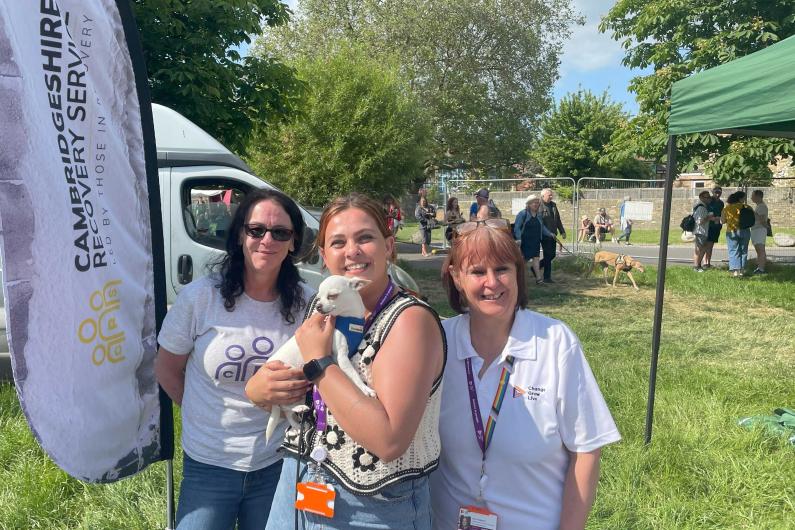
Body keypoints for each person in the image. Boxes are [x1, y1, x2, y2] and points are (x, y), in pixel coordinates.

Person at [256, 193, 446, 530]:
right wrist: (260, 389)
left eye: (365, 238)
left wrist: (318, 362)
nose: (352, 251)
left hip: (371, 506)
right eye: (338, 242)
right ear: (324, 255)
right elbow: (285, 384)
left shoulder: (409, 321)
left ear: (389, 246)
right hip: (301, 480)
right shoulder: (325, 305)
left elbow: (388, 440)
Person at [432, 221, 621, 530]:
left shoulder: (555, 341)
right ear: (456, 277)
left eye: (502, 269)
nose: (492, 283)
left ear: (517, 271)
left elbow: (586, 450)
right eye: (478, 272)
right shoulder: (439, 342)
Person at [155, 189, 312, 530]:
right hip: (210, 463)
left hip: (279, 461)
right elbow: (166, 368)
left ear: (292, 242)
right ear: (241, 235)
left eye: (279, 232)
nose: (266, 239)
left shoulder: (307, 304)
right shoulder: (201, 298)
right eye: (256, 230)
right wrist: (200, 410)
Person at [513, 194, 555, 284]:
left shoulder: (538, 215)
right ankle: (516, 279)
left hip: (535, 240)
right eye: (533, 203)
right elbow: (517, 227)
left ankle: (539, 280)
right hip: (524, 241)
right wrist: (519, 238)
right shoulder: (522, 214)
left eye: (537, 203)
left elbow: (542, 227)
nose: (536, 204)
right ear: (528, 204)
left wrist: (550, 233)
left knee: (536, 259)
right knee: (523, 261)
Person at [721, 191, 752, 277]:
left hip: (732, 231)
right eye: (744, 198)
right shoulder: (747, 207)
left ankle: (735, 271)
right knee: (743, 250)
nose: (745, 199)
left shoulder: (727, 208)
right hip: (745, 230)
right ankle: (742, 271)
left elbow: (723, 221)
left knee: (733, 250)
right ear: (740, 198)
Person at [539, 188, 566, 283]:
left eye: (551, 195)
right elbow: (540, 222)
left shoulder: (553, 205)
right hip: (544, 235)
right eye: (549, 195)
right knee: (547, 255)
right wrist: (547, 232)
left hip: (553, 234)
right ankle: (547, 277)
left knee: (552, 255)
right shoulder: (539, 205)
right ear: (543, 196)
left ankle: (536, 267)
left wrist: (562, 231)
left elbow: (558, 219)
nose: (551, 196)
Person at [692, 191, 716, 272]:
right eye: (707, 197)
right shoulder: (701, 207)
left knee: (701, 248)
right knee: (700, 249)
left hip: (701, 231)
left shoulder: (701, 206)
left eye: (709, 197)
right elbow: (700, 221)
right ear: (701, 198)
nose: (709, 199)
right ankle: (696, 266)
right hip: (700, 231)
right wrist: (709, 217)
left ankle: (697, 266)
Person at [704, 186, 724, 268]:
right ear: (712, 192)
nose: (717, 194)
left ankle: (708, 262)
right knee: (706, 245)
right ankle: (705, 263)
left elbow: (722, 214)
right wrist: (713, 218)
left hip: (717, 226)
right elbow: (706, 214)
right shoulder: (709, 201)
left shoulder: (721, 203)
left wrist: (720, 219)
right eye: (716, 192)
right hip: (708, 225)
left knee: (711, 245)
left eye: (719, 192)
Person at [750, 189, 768, 274]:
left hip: (759, 230)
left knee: (760, 250)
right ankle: (759, 267)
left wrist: (752, 213)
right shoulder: (758, 206)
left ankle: (761, 269)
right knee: (758, 250)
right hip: (756, 229)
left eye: (753, 196)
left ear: (758, 196)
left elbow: (762, 219)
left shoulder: (762, 206)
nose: (751, 197)